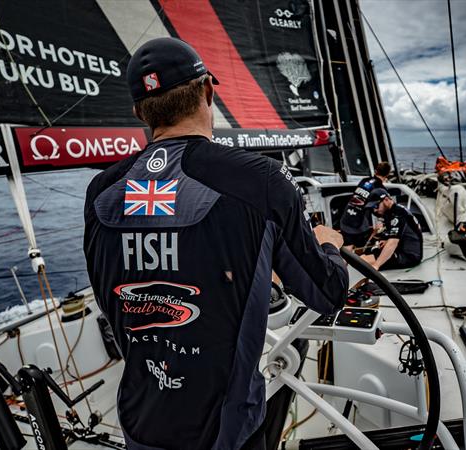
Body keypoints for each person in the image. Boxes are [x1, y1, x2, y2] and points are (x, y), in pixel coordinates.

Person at [83, 37, 348, 450]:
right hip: (225, 432)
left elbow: (111, 290)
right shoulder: (261, 179)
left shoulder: (102, 189)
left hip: (140, 421)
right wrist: (328, 245)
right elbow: (327, 292)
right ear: (208, 89)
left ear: (139, 111)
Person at [361, 188, 423, 270]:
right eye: (372, 208)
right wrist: (386, 240)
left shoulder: (399, 214)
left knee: (363, 261)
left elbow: (393, 242)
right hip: (401, 249)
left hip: (408, 256)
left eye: (376, 206)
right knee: (363, 256)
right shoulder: (392, 212)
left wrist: (376, 265)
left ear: (386, 200)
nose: (374, 210)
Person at [339, 161, 392, 249]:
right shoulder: (380, 190)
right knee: (371, 245)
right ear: (387, 175)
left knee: (348, 247)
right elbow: (380, 211)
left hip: (345, 220)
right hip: (357, 226)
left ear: (375, 171)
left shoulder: (364, 181)